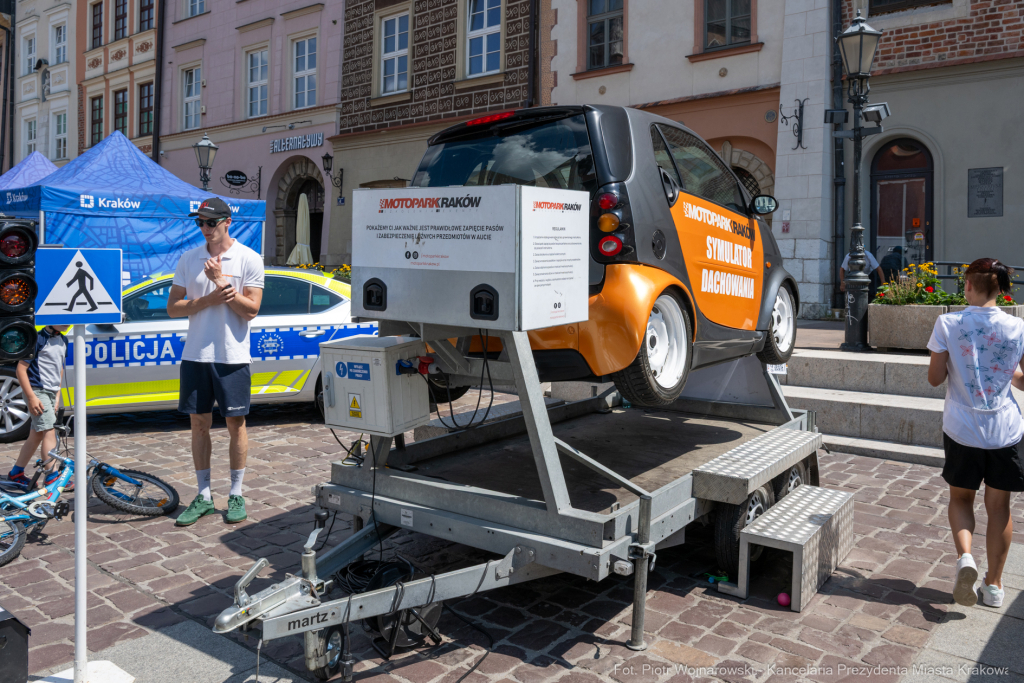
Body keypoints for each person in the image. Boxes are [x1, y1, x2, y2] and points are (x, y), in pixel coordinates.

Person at [927, 258, 1024, 608]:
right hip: (1005, 430)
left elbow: (935, 378)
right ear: (1000, 289)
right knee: (999, 507)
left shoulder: (948, 323)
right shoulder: (1018, 328)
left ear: (968, 285)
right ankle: (994, 587)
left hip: (962, 427)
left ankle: (965, 557)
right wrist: (1009, 376)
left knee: (960, 499)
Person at [167, 197, 264, 526]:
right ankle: (204, 494)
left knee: (236, 425)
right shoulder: (188, 259)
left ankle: (236, 493)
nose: (205, 228)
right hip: (195, 354)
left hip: (232, 355)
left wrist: (222, 282)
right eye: (200, 223)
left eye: (211, 222)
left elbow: (251, 310)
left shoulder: (249, 258)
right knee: (198, 425)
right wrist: (207, 299)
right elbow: (173, 307)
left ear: (227, 222)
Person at [6, 325, 72, 488]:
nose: (66, 323)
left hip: (51, 393)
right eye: (61, 319)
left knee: (36, 435)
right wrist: (31, 397)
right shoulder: (37, 339)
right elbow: (21, 370)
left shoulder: (64, 340)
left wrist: (57, 396)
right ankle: (52, 476)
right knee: (50, 431)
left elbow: (60, 368)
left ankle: (16, 473)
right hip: (37, 391)